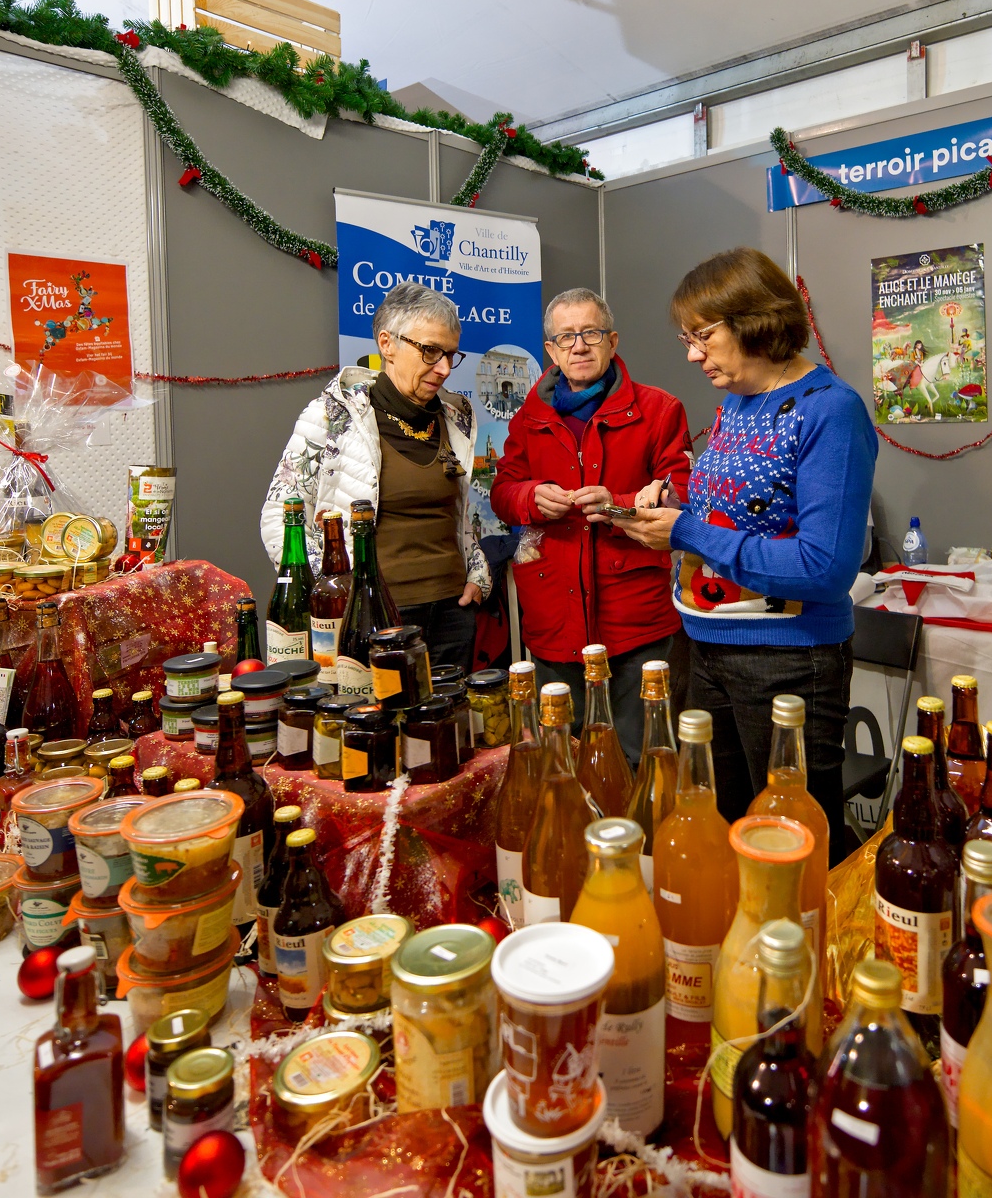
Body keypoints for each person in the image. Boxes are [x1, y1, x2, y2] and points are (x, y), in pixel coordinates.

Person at [612, 248, 876, 845]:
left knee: (793, 846)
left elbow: (824, 568)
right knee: (718, 833)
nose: (691, 354)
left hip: (786, 662)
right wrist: (672, 497)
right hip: (704, 649)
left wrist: (686, 530)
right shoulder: (737, 403)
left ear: (755, 320)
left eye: (702, 335)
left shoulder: (831, 411)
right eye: (686, 337)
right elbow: (741, 504)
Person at [490, 288, 691, 764]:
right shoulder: (529, 418)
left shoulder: (659, 409)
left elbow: (680, 492)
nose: (579, 346)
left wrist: (617, 505)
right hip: (553, 619)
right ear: (551, 350)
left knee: (644, 759)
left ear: (613, 340)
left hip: (636, 622)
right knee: (561, 761)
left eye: (591, 333)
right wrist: (529, 496)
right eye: (566, 336)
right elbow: (503, 491)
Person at [261, 282, 490, 674]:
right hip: (375, 620)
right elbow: (278, 518)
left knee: (446, 731)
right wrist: (336, 591)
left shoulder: (457, 417)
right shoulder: (332, 418)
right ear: (387, 343)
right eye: (431, 351)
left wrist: (477, 571)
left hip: (453, 612)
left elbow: (464, 510)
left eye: (451, 354)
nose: (445, 368)